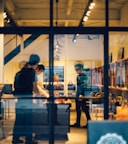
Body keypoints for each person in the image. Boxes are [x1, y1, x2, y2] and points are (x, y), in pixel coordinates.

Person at [12, 54, 40, 144]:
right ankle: (29, 139)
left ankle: (15, 138)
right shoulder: (32, 72)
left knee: (19, 119)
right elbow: (34, 87)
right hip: (28, 98)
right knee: (28, 120)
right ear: (36, 63)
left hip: (19, 99)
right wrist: (39, 96)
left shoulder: (19, 73)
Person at [70, 63, 91, 128]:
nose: (76, 71)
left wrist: (81, 94)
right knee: (78, 109)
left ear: (81, 69)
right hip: (78, 94)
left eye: (77, 69)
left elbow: (84, 86)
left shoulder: (84, 76)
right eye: (75, 69)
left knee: (85, 109)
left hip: (82, 95)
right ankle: (78, 123)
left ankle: (89, 123)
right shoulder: (78, 76)